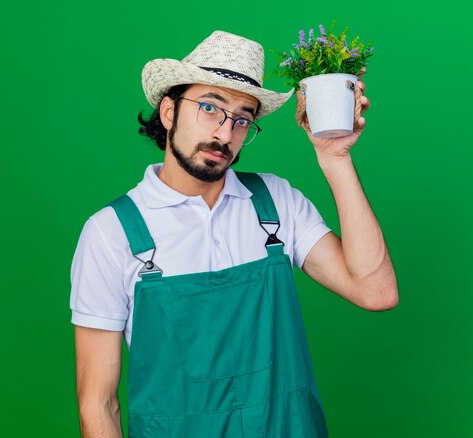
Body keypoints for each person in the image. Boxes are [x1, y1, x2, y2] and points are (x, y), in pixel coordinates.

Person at [70, 30, 398, 438]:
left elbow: (376, 292)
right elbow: (98, 403)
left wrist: (335, 157)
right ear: (169, 112)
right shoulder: (112, 233)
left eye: (242, 119)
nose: (225, 134)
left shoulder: (276, 203)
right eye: (210, 107)